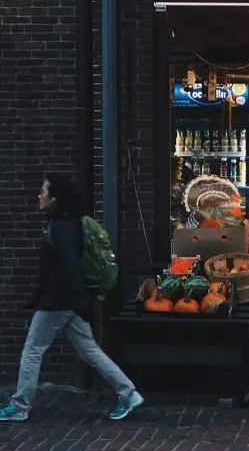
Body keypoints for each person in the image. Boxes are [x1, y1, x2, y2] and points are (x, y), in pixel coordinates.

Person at [0, 173, 144, 422]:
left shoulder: (61, 227)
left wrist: (72, 300)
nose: (39, 195)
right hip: (69, 301)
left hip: (59, 301)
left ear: (55, 198)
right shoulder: (71, 223)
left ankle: (20, 405)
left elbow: (69, 266)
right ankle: (128, 393)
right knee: (89, 351)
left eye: (43, 192)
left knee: (33, 350)